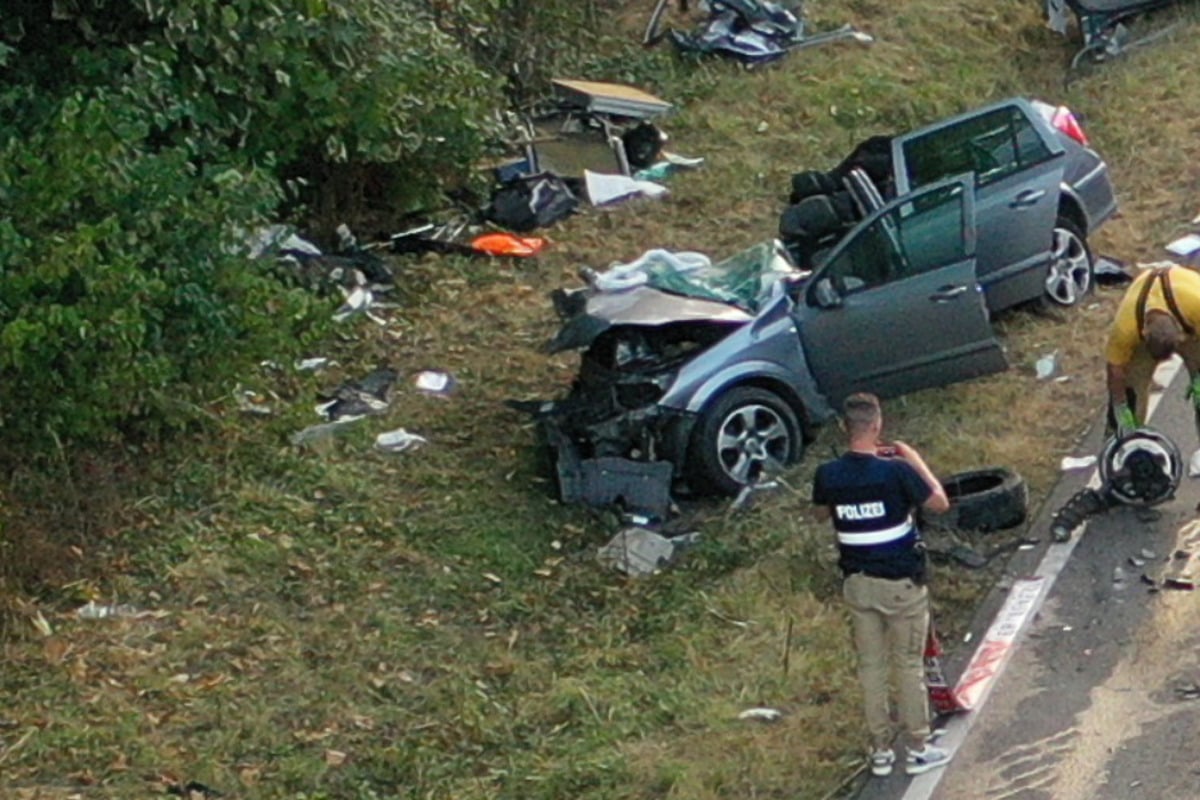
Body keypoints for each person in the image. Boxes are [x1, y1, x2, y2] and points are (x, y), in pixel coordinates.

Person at [811, 392, 952, 778]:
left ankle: (881, 751)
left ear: (844, 427)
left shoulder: (828, 475)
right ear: (877, 426)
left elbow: (822, 514)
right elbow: (939, 503)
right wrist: (913, 459)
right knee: (907, 664)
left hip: (857, 585)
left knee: (870, 667)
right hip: (900, 585)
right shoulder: (896, 471)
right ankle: (919, 746)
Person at [1105, 264, 1200, 437]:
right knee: (1131, 390)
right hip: (1149, 325)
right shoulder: (1126, 326)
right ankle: (1122, 445)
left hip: (1191, 322)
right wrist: (1121, 408)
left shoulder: (1196, 303)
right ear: (1143, 332)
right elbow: (1115, 370)